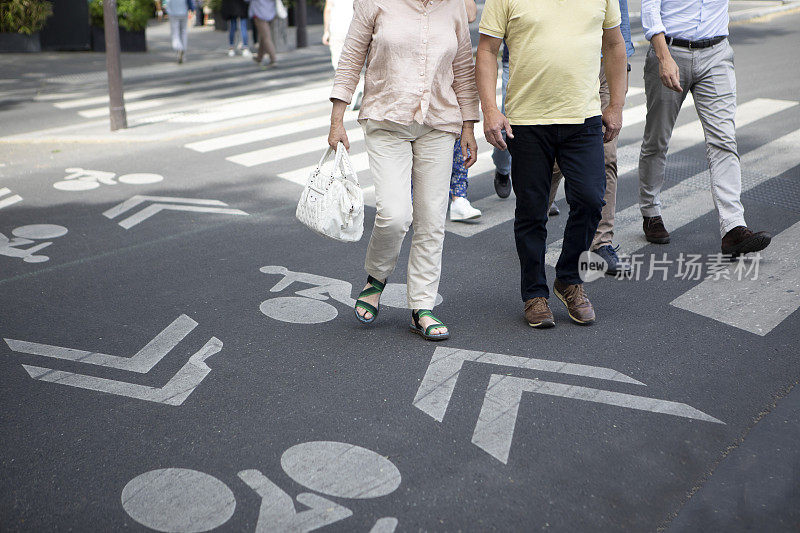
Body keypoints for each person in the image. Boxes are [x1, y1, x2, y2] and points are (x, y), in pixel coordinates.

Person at [328, 0, 479, 341]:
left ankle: (421, 306)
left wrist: (469, 126)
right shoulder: (375, 2)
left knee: (431, 219)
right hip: (386, 120)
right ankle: (377, 277)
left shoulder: (453, 7)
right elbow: (351, 59)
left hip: (439, 122)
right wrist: (337, 120)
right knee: (395, 215)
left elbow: (464, 70)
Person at [476, 0, 627, 328]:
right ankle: (534, 293)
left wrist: (615, 105)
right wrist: (489, 110)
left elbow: (615, 43)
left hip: (583, 117)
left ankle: (568, 279)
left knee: (590, 199)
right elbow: (487, 49)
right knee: (532, 211)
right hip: (527, 120)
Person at [638, 0, 771, 256]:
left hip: (716, 54)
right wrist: (663, 57)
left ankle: (733, 227)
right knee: (657, 139)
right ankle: (650, 210)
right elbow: (650, 7)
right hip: (670, 50)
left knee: (724, 141)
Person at [546, 0, 636, 275]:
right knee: (554, 161)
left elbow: (617, 31)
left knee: (606, 157)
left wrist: (617, 101)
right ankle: (534, 225)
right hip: (564, 68)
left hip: (604, 64)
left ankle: (601, 242)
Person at [491, 43, 560, 217]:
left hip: (549, 66)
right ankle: (502, 169)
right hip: (515, 62)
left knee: (546, 127)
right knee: (507, 127)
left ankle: (543, 193)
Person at [448, 0, 482, 223]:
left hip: (453, 67)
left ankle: (459, 198)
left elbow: (470, 14)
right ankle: (412, 199)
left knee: (460, 136)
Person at [322, 0, 363, 110]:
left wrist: (326, 31)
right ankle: (357, 88)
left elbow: (328, 9)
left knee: (339, 63)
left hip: (337, 29)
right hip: (355, 28)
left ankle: (354, 90)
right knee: (354, 61)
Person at [248, 0, 277, 67]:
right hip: (271, 11)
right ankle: (259, 57)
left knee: (266, 37)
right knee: (263, 36)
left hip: (259, 12)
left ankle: (273, 59)